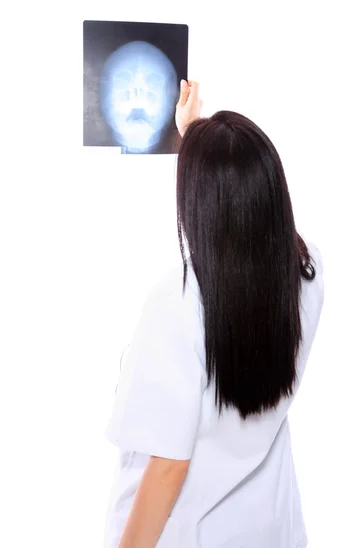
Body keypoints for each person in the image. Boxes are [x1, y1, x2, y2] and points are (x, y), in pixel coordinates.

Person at [103, 80, 325, 548]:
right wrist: (196, 138)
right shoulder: (306, 274)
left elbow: (167, 467)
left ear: (199, 205)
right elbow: (259, 216)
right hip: (271, 528)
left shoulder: (179, 301)